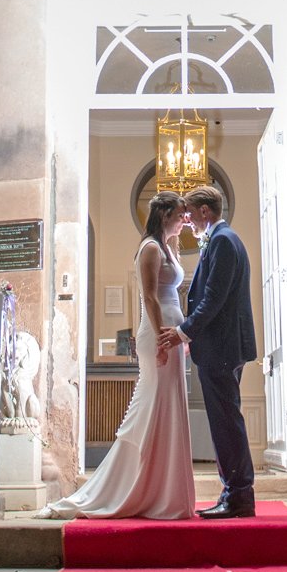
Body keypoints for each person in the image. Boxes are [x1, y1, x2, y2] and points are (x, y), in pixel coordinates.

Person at [39, 192, 195, 520]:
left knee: (167, 407)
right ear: (165, 214)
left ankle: (163, 489)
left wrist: (181, 336)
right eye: (181, 214)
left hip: (172, 332)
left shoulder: (169, 247)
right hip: (158, 331)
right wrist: (163, 340)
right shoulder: (150, 248)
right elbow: (150, 298)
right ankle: (132, 485)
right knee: (152, 407)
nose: (185, 219)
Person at [160, 183, 257, 519]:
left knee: (226, 422)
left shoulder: (223, 242)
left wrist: (183, 334)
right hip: (220, 345)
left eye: (190, 215)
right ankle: (234, 493)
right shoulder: (221, 240)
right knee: (224, 421)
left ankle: (239, 496)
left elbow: (213, 299)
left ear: (205, 212)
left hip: (223, 347)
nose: (187, 222)